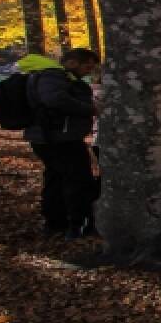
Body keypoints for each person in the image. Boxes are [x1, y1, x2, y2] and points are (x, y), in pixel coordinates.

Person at [19, 49, 100, 239]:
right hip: (59, 138)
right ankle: (76, 223)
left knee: (56, 178)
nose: (89, 70)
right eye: (87, 65)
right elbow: (54, 99)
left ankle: (56, 222)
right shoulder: (54, 76)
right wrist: (90, 109)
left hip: (52, 137)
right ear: (72, 63)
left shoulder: (51, 76)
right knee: (77, 179)